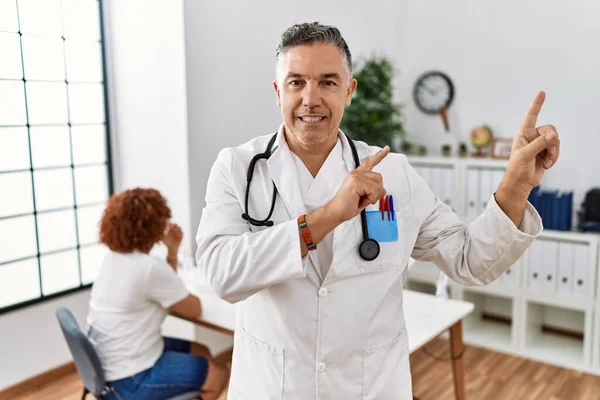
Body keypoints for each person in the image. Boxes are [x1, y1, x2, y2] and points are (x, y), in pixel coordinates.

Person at [195, 22, 559, 399]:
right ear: (277, 92)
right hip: (274, 387)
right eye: (296, 82)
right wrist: (329, 216)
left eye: (328, 82)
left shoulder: (393, 173)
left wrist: (516, 185)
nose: (311, 98)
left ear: (349, 91)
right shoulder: (237, 168)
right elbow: (222, 274)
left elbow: (470, 260)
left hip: (370, 388)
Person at [87, 188, 228, 400]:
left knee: (202, 351)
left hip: (106, 367)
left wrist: (172, 252)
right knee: (220, 374)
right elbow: (194, 309)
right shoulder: (148, 268)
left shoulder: (113, 259)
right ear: (153, 226)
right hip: (130, 378)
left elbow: (162, 288)